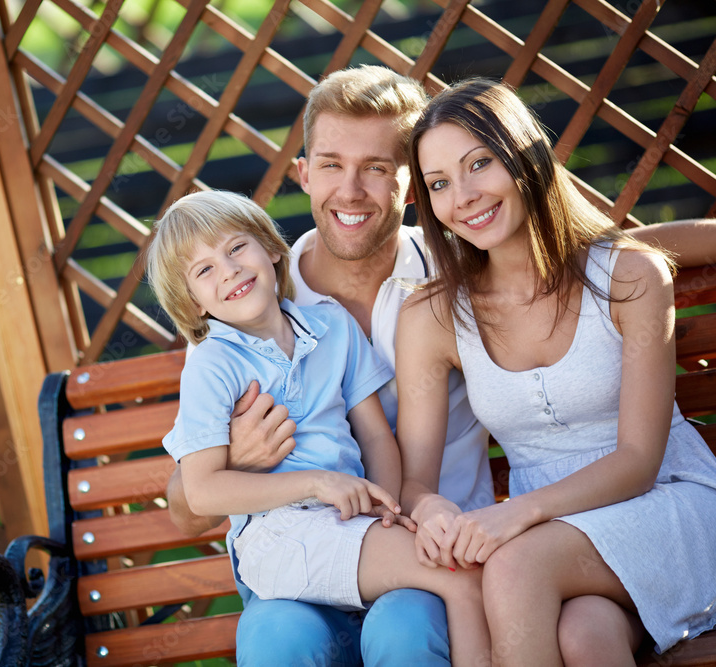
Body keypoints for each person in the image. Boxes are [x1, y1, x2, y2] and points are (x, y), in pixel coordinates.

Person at [167, 64, 716, 666]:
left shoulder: (451, 271)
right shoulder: (242, 307)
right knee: (277, 640)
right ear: (304, 174)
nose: (350, 190)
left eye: (376, 168)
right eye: (331, 164)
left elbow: (587, 252)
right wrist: (244, 460)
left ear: (407, 189)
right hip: (315, 551)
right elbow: (186, 506)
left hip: (452, 552)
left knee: (411, 632)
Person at [396, 77, 716, 665]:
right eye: (440, 184)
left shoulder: (628, 277)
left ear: (525, 156)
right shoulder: (432, 315)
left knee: (513, 565)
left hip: (667, 508)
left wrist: (514, 514)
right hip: (558, 546)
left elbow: (639, 461)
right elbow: (415, 482)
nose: (464, 195)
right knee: (584, 637)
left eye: (480, 164)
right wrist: (432, 509)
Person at [147, 189, 491, 667]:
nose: (227, 270)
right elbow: (201, 494)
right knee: (459, 577)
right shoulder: (211, 364)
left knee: (446, 587)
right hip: (282, 534)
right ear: (193, 304)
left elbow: (374, 436)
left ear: (270, 248)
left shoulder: (332, 326)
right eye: (204, 270)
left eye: (236, 248)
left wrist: (385, 508)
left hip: (350, 524)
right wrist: (317, 482)